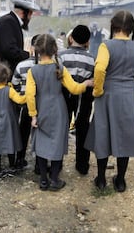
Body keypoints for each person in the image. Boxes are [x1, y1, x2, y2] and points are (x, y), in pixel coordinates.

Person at [84, 11, 134, 192]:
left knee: (103, 135)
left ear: (113, 26)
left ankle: (101, 179)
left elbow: (99, 70)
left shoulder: (106, 46)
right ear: (131, 28)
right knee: (125, 137)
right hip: (129, 96)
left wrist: (98, 90)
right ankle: (120, 181)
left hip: (108, 96)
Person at [25, 34, 93, 191]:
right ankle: (55, 179)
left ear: (36, 50)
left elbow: (29, 95)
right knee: (57, 142)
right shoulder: (59, 69)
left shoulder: (33, 71)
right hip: (59, 110)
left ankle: (43, 180)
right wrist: (86, 83)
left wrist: (33, 115)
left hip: (41, 109)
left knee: (41, 143)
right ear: (55, 49)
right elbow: (74, 88)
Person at [58, 25, 95, 175]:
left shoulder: (61, 56)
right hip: (84, 97)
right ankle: (82, 165)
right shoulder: (92, 59)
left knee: (61, 127)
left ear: (71, 38)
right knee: (83, 129)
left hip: (63, 95)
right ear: (87, 41)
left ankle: (57, 162)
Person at [0, 0, 40, 73]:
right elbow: (9, 50)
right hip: (0, 74)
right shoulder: (8, 22)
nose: (30, 17)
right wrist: (29, 54)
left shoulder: (12, 21)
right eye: (30, 14)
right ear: (26, 12)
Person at [11, 34, 39, 169]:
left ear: (32, 47)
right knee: (41, 133)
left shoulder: (22, 65)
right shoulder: (52, 66)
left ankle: (20, 158)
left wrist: (21, 94)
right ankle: (40, 162)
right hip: (43, 105)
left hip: (26, 104)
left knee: (23, 131)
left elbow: (14, 83)